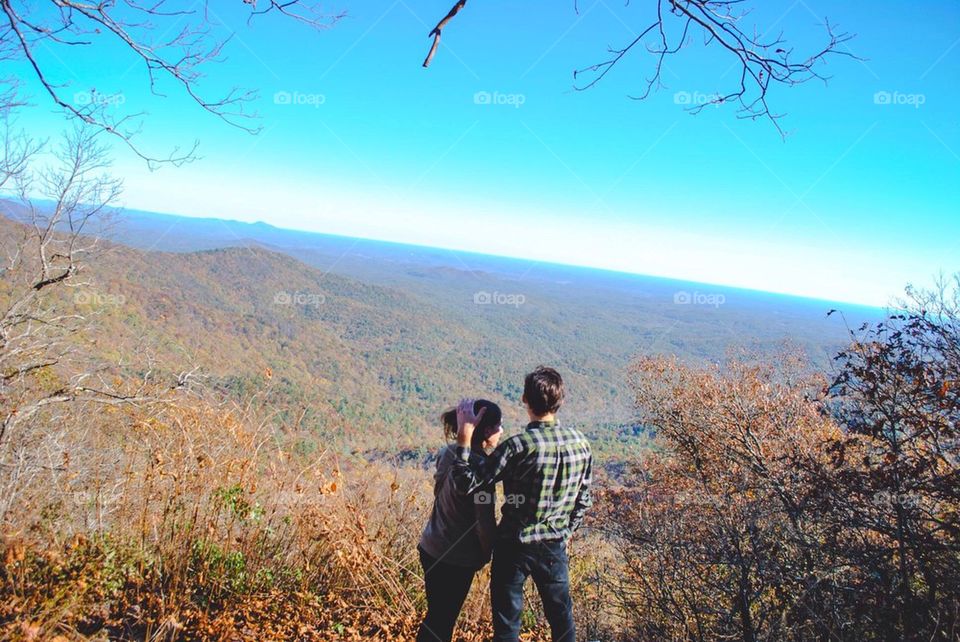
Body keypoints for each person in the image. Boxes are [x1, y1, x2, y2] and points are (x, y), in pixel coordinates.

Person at [451, 366, 592, 642]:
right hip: (553, 546)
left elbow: (467, 484)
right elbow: (584, 500)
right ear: (559, 401)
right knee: (563, 624)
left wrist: (464, 441)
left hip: (513, 545)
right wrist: (564, 532)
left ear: (525, 400)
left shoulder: (518, 446)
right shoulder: (581, 444)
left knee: (507, 627)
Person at [416, 399, 504, 642]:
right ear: (486, 431)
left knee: (436, 617)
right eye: (499, 426)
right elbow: (484, 521)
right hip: (457, 558)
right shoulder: (482, 468)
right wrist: (487, 553)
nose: (501, 431)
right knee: (441, 622)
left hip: (431, 546)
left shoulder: (447, 453)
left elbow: (439, 492)